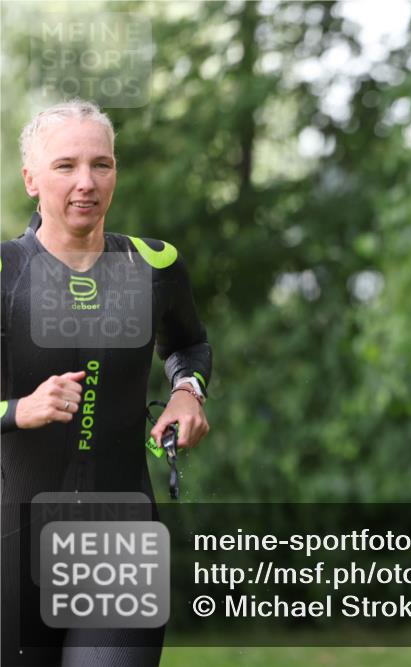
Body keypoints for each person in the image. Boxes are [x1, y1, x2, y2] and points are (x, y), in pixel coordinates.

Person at [1, 100, 212, 666]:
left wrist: (188, 392)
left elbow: (188, 345)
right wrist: (16, 410)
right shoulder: (5, 274)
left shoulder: (154, 266)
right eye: (66, 165)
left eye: (102, 164)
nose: (86, 183)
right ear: (31, 179)